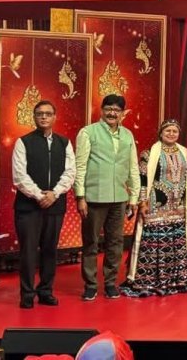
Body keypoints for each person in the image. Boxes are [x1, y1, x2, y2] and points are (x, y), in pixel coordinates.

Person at [75, 94, 140, 301]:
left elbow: (133, 167)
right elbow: (80, 166)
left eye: (117, 110)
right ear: (102, 110)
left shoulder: (127, 135)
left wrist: (134, 198)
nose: (112, 113)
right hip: (94, 197)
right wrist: (80, 196)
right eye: (108, 109)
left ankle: (110, 283)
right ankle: (91, 285)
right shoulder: (88, 132)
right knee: (91, 243)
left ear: (122, 113)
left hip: (119, 197)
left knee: (116, 242)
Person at [12, 100, 76, 308]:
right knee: (28, 252)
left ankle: (46, 291)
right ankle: (27, 294)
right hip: (28, 207)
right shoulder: (23, 142)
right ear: (34, 117)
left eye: (48, 114)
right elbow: (19, 176)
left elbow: (70, 172)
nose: (44, 117)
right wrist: (40, 195)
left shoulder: (64, 143)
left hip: (55, 204)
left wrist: (54, 193)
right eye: (39, 113)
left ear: (54, 117)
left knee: (50, 250)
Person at [121, 119, 187, 297]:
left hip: (178, 207)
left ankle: (175, 281)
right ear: (160, 133)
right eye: (167, 130)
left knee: (176, 242)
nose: (171, 134)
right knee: (154, 243)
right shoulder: (148, 153)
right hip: (155, 207)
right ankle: (149, 281)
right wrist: (142, 202)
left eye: (175, 131)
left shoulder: (185, 152)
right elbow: (142, 179)